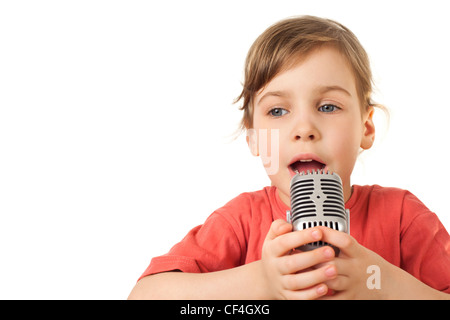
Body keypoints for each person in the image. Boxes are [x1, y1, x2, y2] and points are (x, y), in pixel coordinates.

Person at [128, 15, 450, 299]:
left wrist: (380, 283)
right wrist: (261, 281)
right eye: (278, 110)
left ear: (366, 128)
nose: (304, 128)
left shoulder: (403, 218)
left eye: (327, 107)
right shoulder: (239, 222)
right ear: (254, 139)